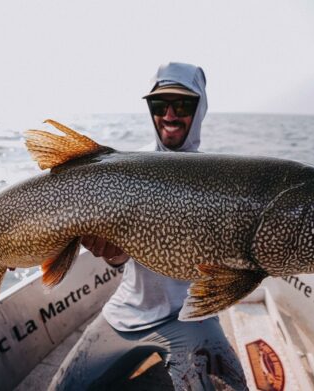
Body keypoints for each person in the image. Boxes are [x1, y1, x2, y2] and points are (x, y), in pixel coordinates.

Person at [48, 62, 248, 390]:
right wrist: (111, 253)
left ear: (201, 108)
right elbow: (118, 257)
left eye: (183, 104)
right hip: (128, 310)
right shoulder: (123, 169)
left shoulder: (222, 179)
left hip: (192, 315)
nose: (169, 114)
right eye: (159, 104)